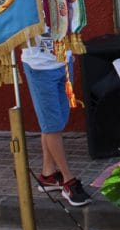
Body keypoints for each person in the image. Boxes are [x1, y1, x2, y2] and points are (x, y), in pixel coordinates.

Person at [22, 41, 92, 207]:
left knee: (56, 121)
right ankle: (68, 179)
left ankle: (48, 175)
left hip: (63, 60)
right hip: (39, 65)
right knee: (52, 126)